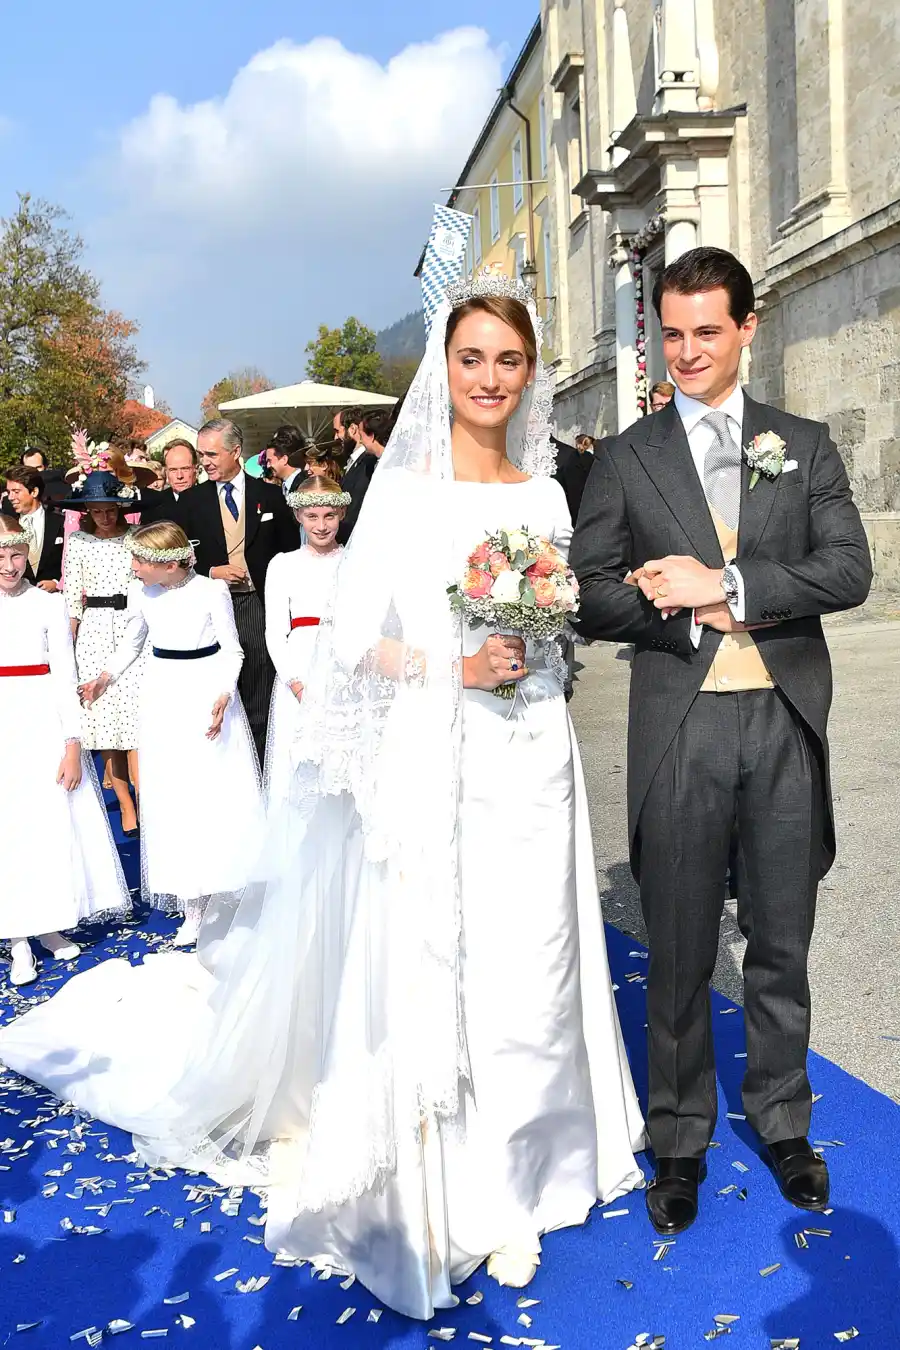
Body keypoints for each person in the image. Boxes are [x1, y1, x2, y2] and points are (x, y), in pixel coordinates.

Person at [0, 268, 644, 1319]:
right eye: (471, 358)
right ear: (444, 370)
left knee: (545, 951)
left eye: (510, 361)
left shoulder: (541, 495)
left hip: (538, 754)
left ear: (533, 376)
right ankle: (477, 1187)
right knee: (462, 961)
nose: (490, 378)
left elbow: (550, 623)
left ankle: (545, 1153)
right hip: (445, 758)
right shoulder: (409, 492)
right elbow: (352, 642)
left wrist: (538, 638)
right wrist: (453, 667)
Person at [570, 246, 872, 1237]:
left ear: (747, 328)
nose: (688, 350)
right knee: (682, 951)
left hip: (783, 722)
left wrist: (730, 587)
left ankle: (784, 1119)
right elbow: (593, 587)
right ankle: (682, 1136)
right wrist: (686, 613)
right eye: (673, 330)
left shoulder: (806, 443)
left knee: (781, 943)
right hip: (684, 726)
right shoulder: (627, 454)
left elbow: (847, 572)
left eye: (709, 330)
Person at [80, 521, 263, 948]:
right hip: (163, 694)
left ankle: (222, 888)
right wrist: (104, 678)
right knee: (174, 798)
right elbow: (132, 643)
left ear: (168, 563)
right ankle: (191, 904)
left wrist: (222, 694)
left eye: (140, 560)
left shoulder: (211, 592)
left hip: (204, 693)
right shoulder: (145, 595)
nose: (134, 568)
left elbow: (233, 649)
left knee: (210, 795)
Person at [0, 515, 129, 986]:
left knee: (47, 826)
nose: (9, 566)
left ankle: (49, 923)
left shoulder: (47, 604)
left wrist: (72, 743)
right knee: (7, 831)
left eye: (16, 555)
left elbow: (62, 675)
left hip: (41, 725)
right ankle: (16, 937)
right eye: (0, 556)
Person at [169, 419, 300, 768]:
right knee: (219, 693)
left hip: (259, 608)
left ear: (236, 452)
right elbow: (177, 561)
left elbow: (290, 555)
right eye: (202, 455)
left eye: (211, 454)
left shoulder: (271, 497)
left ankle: (261, 770)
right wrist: (212, 571)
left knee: (259, 691)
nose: (205, 462)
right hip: (212, 612)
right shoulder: (190, 503)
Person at [60, 469, 144, 837]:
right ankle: (125, 802)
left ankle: (146, 795)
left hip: (132, 623)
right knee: (105, 719)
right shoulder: (78, 542)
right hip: (94, 628)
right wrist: (69, 643)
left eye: (111, 509)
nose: (106, 517)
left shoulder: (135, 538)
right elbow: (72, 596)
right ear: (87, 512)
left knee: (136, 716)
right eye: (97, 511)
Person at [263, 476, 347, 812]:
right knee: (297, 763)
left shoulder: (355, 562)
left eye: (329, 516)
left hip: (344, 665)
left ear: (341, 514)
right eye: (312, 517)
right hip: (298, 669)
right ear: (299, 517)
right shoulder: (283, 564)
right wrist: (296, 683)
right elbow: (274, 633)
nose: (322, 525)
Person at [2, 465, 66, 592]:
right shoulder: (6, 524)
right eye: (9, 492)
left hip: (52, 599)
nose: (10, 497)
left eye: (16, 492)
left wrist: (56, 583)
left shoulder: (59, 522)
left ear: (34, 492)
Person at [336, 411, 386, 544]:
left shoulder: (370, 463)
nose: (361, 439)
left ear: (372, 436)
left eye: (362, 434)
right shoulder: (368, 462)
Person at [141, 439, 200, 523]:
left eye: (185, 469)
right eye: (173, 470)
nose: (179, 476)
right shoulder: (153, 505)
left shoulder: (213, 500)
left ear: (196, 469)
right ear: (166, 471)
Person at [264, 425, 309, 496]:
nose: (268, 466)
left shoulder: (305, 485)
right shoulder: (284, 487)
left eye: (270, 461)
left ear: (284, 459)